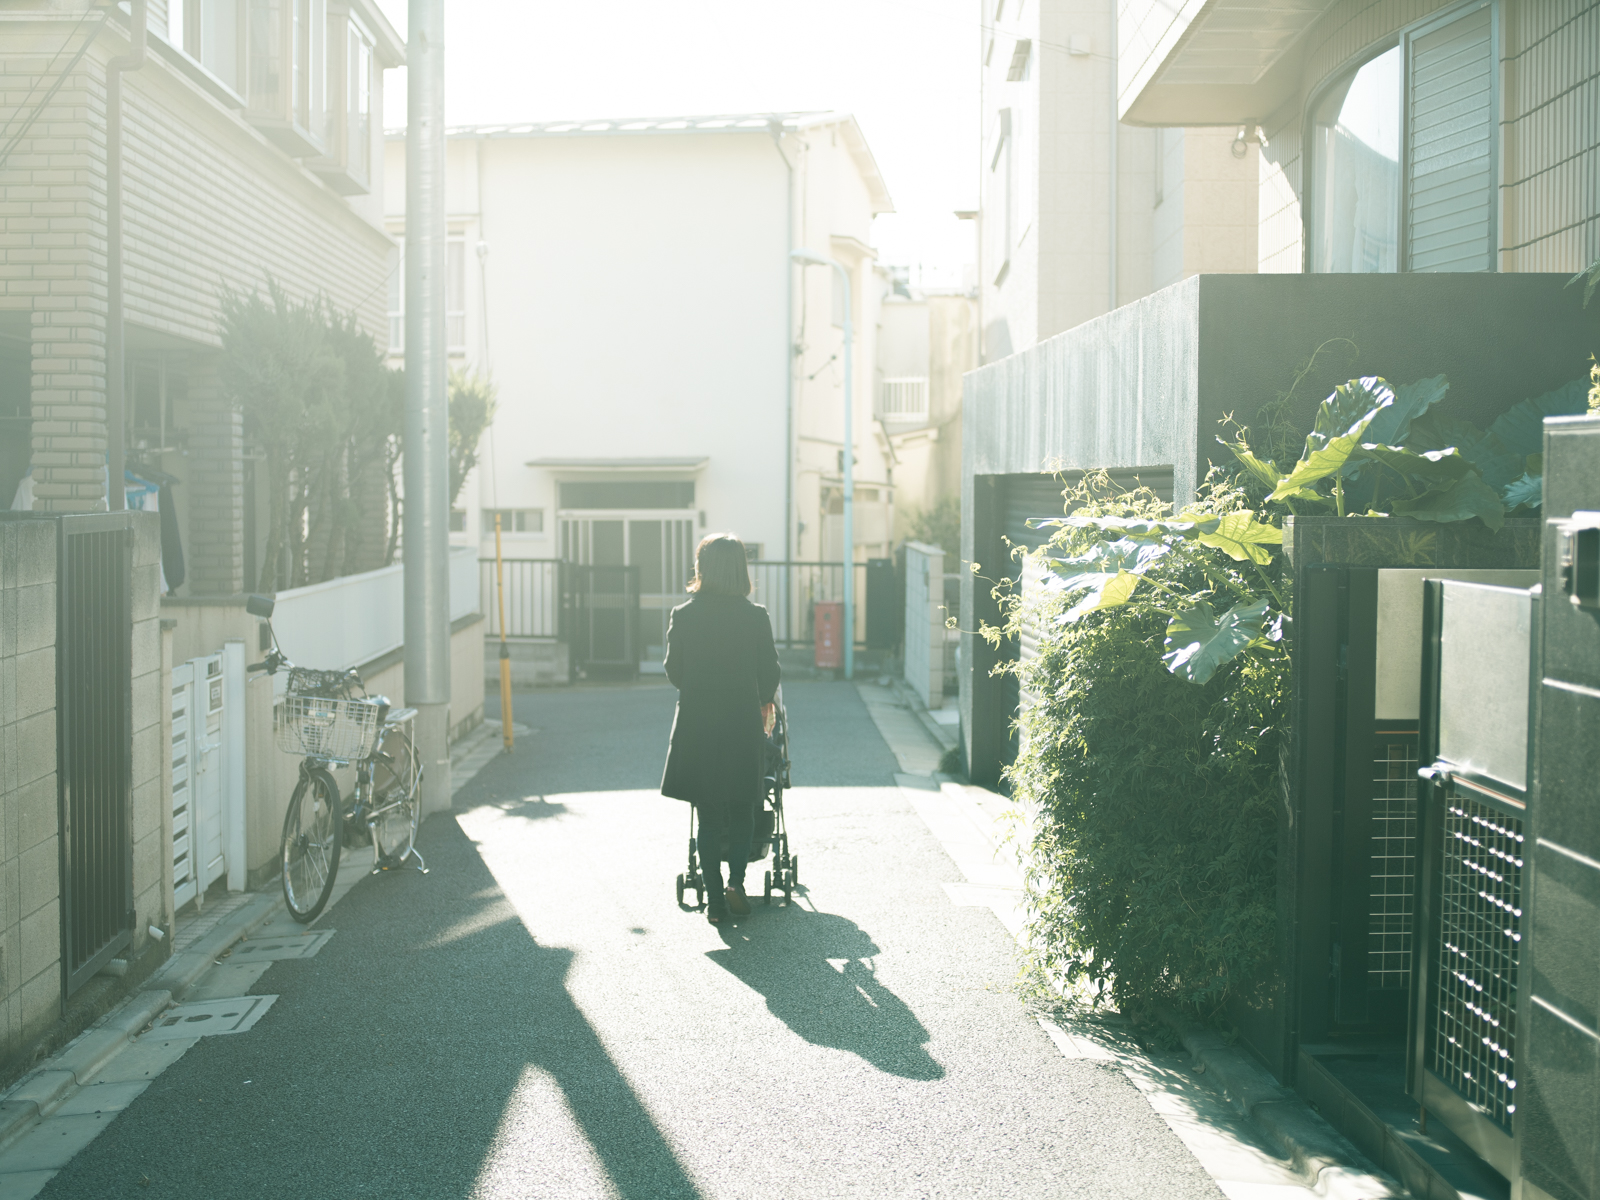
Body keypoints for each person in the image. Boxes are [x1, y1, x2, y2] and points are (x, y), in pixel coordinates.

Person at [661, 533, 781, 924]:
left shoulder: (684, 614)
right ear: (741, 570)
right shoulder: (755, 616)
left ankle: (714, 902)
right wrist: (759, 698)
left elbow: (673, 670)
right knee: (744, 808)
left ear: (703, 568)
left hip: (698, 724)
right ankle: (736, 884)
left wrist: (698, 689)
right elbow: (770, 673)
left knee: (709, 816)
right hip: (741, 722)